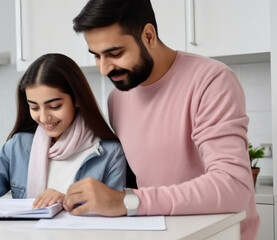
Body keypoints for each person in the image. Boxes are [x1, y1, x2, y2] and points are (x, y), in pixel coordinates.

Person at [63, 0, 259, 239]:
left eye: (115, 53)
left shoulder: (212, 81)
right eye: (96, 56)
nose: (104, 68)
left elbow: (233, 187)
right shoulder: (117, 99)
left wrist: (128, 201)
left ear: (148, 35)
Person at [0, 53, 126, 209]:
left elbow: (115, 212)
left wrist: (66, 202)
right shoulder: (18, 146)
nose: (44, 118)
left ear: (77, 99)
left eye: (54, 106)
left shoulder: (110, 154)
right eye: (35, 107)